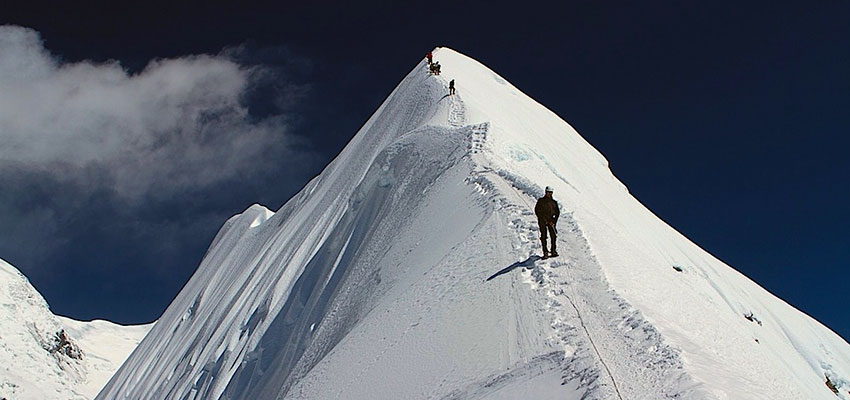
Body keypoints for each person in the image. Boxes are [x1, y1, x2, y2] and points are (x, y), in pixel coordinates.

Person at [534, 186, 559, 258]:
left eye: (551, 193)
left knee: (553, 235)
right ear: (545, 192)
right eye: (548, 192)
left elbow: (557, 213)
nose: (549, 194)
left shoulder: (554, 203)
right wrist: (544, 219)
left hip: (551, 221)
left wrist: (554, 221)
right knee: (544, 236)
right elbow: (537, 211)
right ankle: (545, 251)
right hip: (543, 221)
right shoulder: (541, 201)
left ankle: (553, 250)